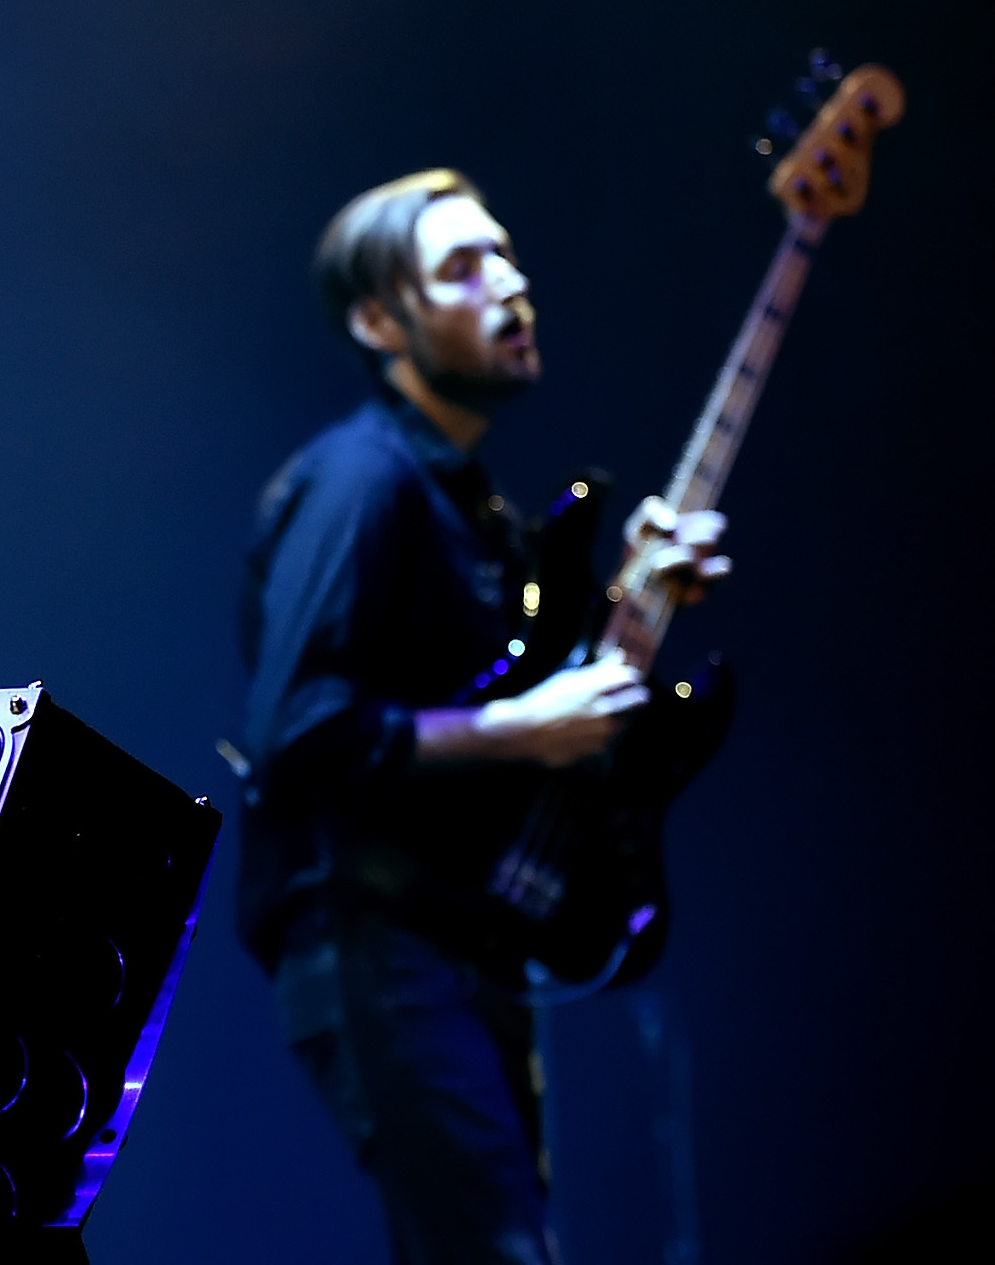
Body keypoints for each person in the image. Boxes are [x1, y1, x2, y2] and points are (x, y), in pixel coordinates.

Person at [234, 169, 729, 1264]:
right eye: (463, 267)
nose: (510, 285)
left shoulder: (470, 502)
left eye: (506, 256)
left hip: (459, 941)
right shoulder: (363, 479)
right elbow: (301, 732)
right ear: (379, 319)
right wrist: (528, 727)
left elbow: (498, 687)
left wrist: (633, 596)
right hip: (372, 937)